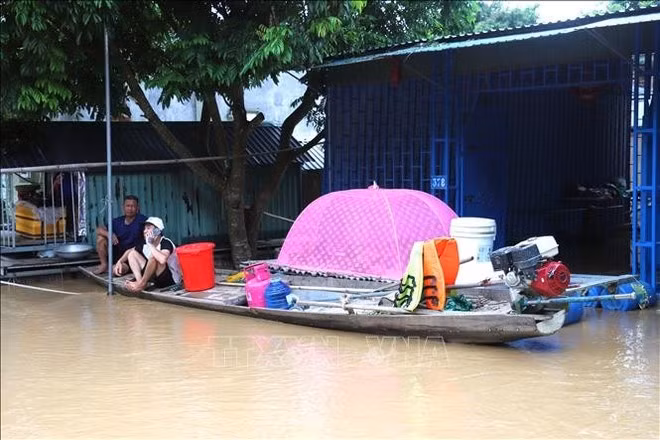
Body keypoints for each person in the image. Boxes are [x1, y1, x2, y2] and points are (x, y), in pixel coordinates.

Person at [115, 217, 182, 292]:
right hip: (155, 278)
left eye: (148, 228)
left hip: (170, 280)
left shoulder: (165, 242)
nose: (145, 231)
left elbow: (162, 260)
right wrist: (120, 261)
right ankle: (140, 281)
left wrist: (150, 244)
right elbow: (130, 251)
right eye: (144, 229)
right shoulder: (145, 244)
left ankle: (141, 284)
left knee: (154, 257)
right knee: (132, 254)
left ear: (157, 231)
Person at [94, 195, 148, 274]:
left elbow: (154, 234)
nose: (130, 209)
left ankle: (118, 267)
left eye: (133, 206)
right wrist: (109, 234)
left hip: (132, 257)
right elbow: (98, 230)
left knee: (117, 271)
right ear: (123, 207)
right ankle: (104, 264)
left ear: (137, 208)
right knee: (101, 238)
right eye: (128, 206)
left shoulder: (143, 221)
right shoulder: (117, 221)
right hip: (117, 255)